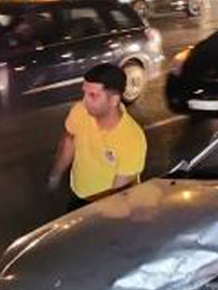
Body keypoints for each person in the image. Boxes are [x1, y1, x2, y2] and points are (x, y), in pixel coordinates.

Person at [48, 64, 147, 211]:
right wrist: (55, 175)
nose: (85, 101)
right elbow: (68, 143)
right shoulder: (80, 111)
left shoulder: (132, 139)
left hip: (106, 207)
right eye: (85, 93)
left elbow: (119, 193)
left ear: (114, 100)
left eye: (93, 95)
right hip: (78, 194)